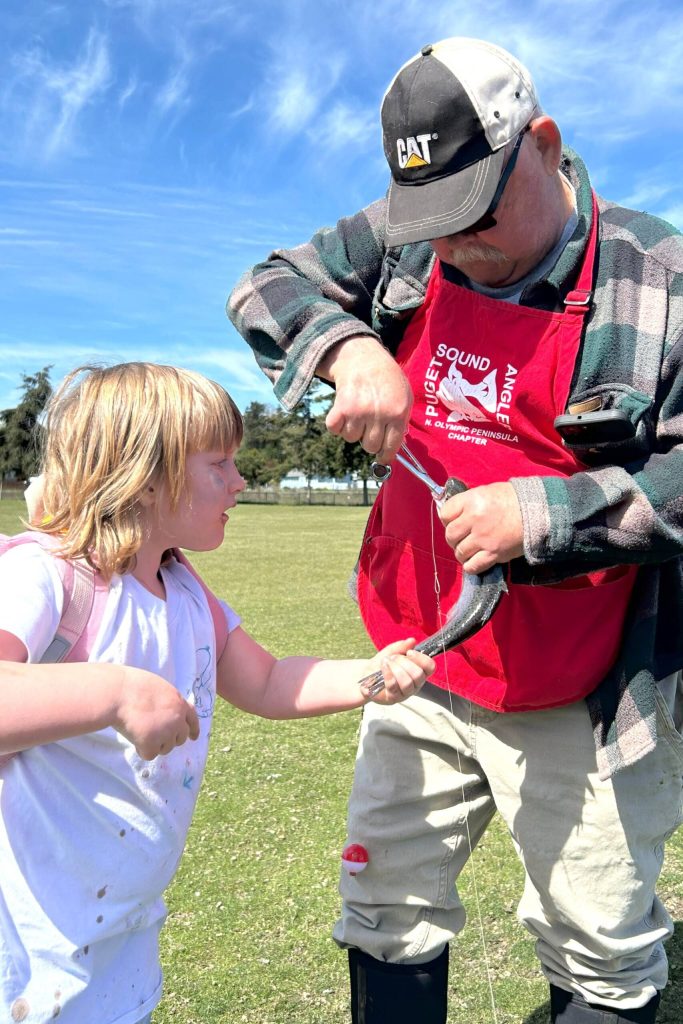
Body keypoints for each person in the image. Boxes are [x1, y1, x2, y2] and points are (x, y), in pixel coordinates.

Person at [227, 36, 683, 1024]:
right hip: (419, 660)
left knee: (599, 942)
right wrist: (348, 346)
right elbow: (265, 285)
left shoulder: (659, 278)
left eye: (474, 214)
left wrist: (541, 511)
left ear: (543, 144)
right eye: (431, 223)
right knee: (383, 905)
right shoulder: (409, 231)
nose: (450, 246)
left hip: (587, 692)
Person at [0, 361, 435, 1024]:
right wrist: (115, 690)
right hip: (24, 947)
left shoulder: (185, 592)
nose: (239, 481)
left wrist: (375, 674)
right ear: (145, 476)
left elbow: (265, 680)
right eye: (218, 465)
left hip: (116, 935)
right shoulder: (49, 578)